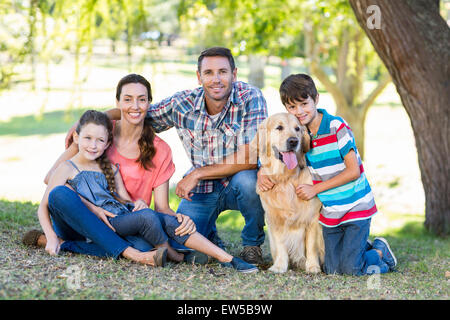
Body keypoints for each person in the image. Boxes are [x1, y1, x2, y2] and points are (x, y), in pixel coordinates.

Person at [65, 47, 268, 265]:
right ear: (199, 77)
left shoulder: (251, 98)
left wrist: (198, 173)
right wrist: (92, 121)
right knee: (182, 242)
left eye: (222, 72)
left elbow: (250, 155)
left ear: (234, 74)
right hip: (202, 190)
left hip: (238, 181)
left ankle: (251, 245)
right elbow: (138, 112)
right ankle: (210, 236)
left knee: (249, 181)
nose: (216, 79)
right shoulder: (182, 104)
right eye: (208, 73)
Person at [29, 108, 257, 272]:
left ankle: (228, 259)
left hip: (114, 221)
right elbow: (44, 207)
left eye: (100, 140)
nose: (93, 145)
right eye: (87, 138)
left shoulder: (107, 166)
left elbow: (124, 199)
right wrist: (51, 237)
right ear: (76, 137)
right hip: (78, 225)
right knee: (60, 193)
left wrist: (137, 204)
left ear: (107, 143)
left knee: (151, 230)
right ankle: (147, 255)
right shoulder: (66, 167)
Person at [258, 73, 397, 276]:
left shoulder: (336, 127)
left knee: (351, 269)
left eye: (304, 104)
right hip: (331, 213)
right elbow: (281, 156)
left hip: (355, 207)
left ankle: (379, 252)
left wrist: (315, 188)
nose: (300, 111)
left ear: (316, 100)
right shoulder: (301, 133)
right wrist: (263, 170)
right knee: (331, 269)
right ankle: (358, 248)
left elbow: (353, 171)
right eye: (292, 107)